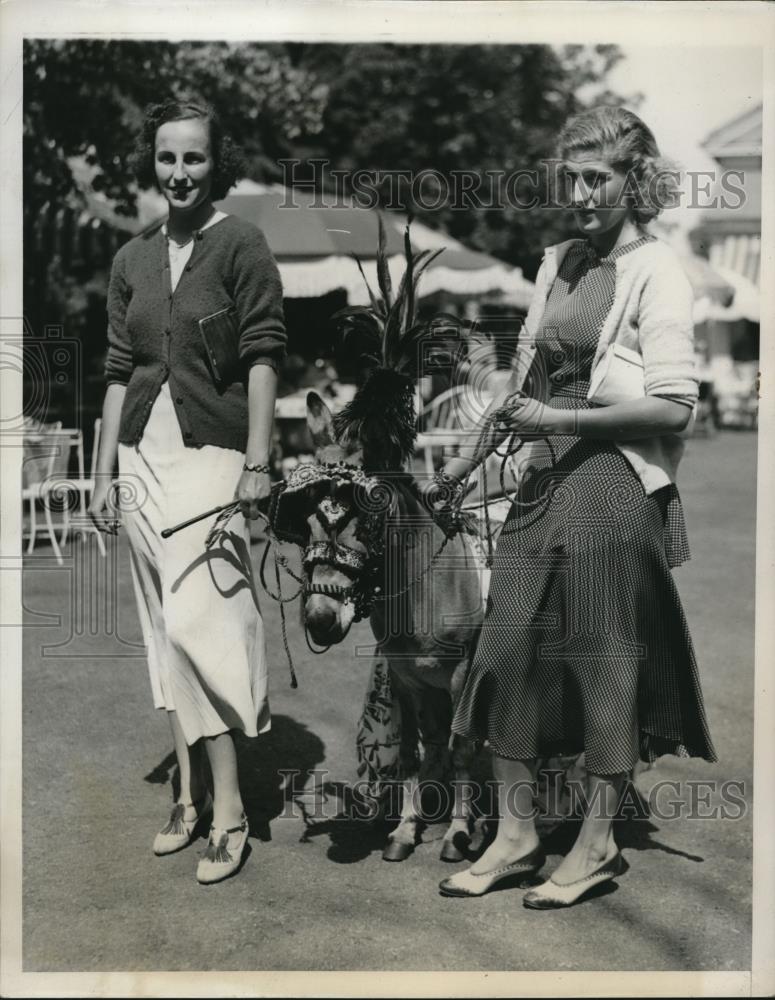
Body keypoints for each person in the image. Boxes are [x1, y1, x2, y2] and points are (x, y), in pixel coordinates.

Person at [432, 106, 716, 908]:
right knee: (502, 654)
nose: (582, 191)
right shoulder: (557, 260)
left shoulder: (656, 268)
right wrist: (462, 463)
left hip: (611, 486)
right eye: (573, 177)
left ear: (635, 181)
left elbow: (673, 407)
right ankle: (516, 836)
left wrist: (558, 421)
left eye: (599, 177)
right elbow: (519, 386)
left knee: (601, 661)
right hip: (541, 482)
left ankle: (594, 845)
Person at [88, 99, 286, 885]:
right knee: (162, 625)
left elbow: (266, 354)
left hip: (215, 453)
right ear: (153, 163)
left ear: (216, 163)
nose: (179, 172)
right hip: (140, 455)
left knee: (205, 621)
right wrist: (102, 474)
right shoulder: (130, 258)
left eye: (194, 159)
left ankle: (230, 808)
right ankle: (187, 793)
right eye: (167, 158)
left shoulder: (239, 244)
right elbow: (114, 373)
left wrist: (259, 460)